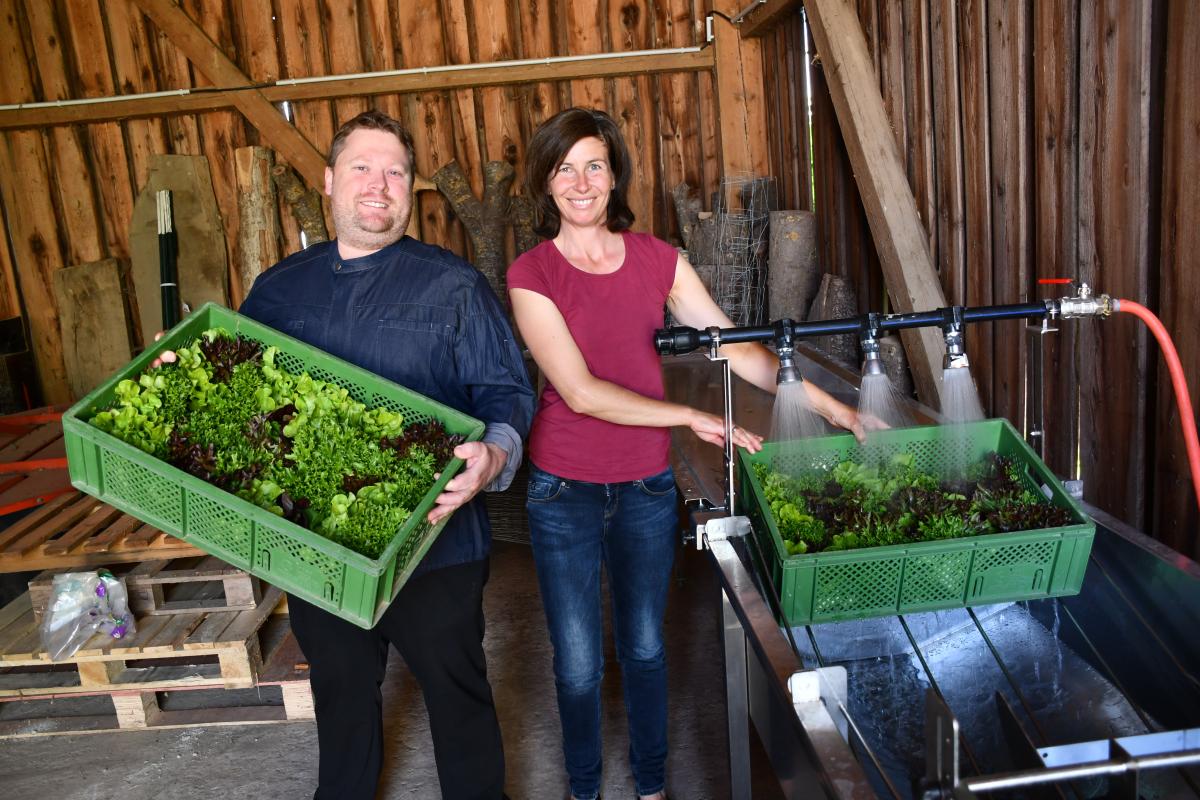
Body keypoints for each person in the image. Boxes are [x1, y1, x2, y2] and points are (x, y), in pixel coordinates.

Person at [506, 107, 869, 800]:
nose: (580, 182)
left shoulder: (658, 260)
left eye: (594, 165)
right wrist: (691, 417)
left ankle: (650, 787)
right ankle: (584, 789)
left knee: (644, 649)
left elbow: (736, 347)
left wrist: (838, 408)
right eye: (564, 169)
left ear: (615, 176)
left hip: (644, 484)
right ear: (544, 183)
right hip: (564, 489)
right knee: (579, 663)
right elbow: (580, 393)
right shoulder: (532, 274)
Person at [238, 110, 535, 799]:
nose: (379, 185)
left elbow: (506, 391)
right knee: (341, 697)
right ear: (329, 181)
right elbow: (241, 398)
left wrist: (494, 454)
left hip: (437, 543)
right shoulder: (277, 291)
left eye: (396, 171)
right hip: (318, 544)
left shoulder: (453, 286)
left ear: (411, 189)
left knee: (457, 697)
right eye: (363, 168)